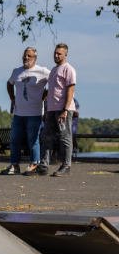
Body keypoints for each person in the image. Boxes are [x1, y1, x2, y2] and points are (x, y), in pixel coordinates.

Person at [27, 43, 76, 176]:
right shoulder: (54, 70)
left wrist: (65, 109)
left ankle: (66, 166)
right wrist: (47, 109)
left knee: (65, 138)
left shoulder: (68, 69)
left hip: (63, 109)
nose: (56, 55)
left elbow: (70, 90)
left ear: (65, 55)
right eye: (55, 53)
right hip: (51, 109)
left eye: (59, 54)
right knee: (46, 137)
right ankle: (43, 166)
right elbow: (53, 90)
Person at [2, 47, 49, 175]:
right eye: (25, 55)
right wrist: (12, 98)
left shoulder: (42, 71)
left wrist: (47, 93)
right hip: (18, 113)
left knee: (32, 139)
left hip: (34, 113)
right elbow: (9, 83)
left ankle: (34, 164)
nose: (26, 58)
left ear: (35, 59)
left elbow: (55, 81)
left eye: (29, 56)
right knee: (14, 139)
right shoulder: (17, 72)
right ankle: (15, 165)